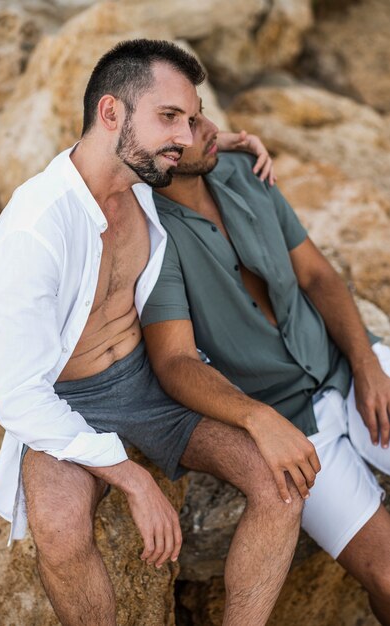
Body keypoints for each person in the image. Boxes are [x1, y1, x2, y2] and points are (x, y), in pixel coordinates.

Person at [0, 40, 316, 626]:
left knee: (280, 482)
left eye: (191, 120)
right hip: (67, 400)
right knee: (59, 531)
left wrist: (229, 143)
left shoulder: (145, 175)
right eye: (170, 118)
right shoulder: (34, 229)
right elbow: (18, 397)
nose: (184, 137)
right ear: (110, 112)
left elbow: (190, 154)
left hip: (150, 381)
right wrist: (132, 479)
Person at [141, 107, 390, 625]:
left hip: (343, 367)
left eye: (201, 114)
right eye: (186, 123)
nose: (211, 130)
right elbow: (175, 361)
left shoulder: (241, 170)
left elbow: (318, 276)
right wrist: (257, 419)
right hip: (290, 427)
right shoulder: (150, 239)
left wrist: (367, 364)